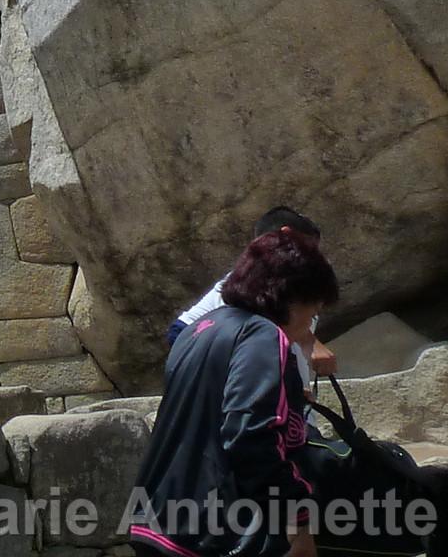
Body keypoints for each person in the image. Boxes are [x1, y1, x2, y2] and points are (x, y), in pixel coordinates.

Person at [130, 229, 338, 557]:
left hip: (155, 522)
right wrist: (296, 521)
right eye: (311, 314)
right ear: (291, 297)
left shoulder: (201, 330)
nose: (307, 327)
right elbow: (250, 435)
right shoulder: (264, 336)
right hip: (211, 534)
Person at [171, 208, 338, 380]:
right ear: (286, 236)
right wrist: (310, 343)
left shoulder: (277, 284)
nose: (313, 259)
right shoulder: (252, 280)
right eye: (309, 249)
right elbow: (266, 317)